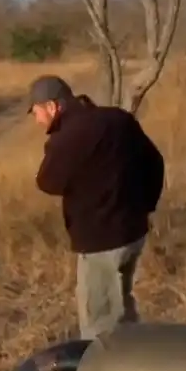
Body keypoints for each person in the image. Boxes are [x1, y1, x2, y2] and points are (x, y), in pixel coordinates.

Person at [26, 74, 164, 341]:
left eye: (36, 112)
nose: (37, 120)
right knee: (122, 307)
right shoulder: (119, 119)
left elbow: (47, 182)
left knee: (100, 331)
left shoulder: (67, 138)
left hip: (101, 245)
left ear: (53, 107)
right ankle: (136, 360)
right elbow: (154, 161)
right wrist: (146, 206)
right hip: (133, 233)